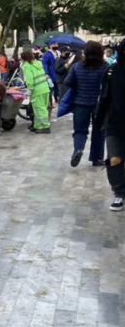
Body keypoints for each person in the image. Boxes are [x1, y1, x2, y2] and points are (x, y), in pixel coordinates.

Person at [65, 41, 108, 167]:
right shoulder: (105, 67)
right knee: (99, 131)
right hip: (99, 104)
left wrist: (79, 86)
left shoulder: (77, 66)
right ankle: (97, 158)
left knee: (80, 130)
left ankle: (78, 149)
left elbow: (68, 82)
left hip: (80, 103)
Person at [95, 38, 125, 211]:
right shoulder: (112, 71)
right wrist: (99, 121)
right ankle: (119, 193)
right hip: (114, 122)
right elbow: (104, 98)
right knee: (114, 159)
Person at [21, 50, 51, 133]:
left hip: (37, 90)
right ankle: (37, 126)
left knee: (39, 109)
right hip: (45, 88)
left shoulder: (26, 66)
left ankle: (45, 127)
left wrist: (29, 90)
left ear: (23, 59)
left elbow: (29, 80)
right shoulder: (38, 63)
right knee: (40, 109)